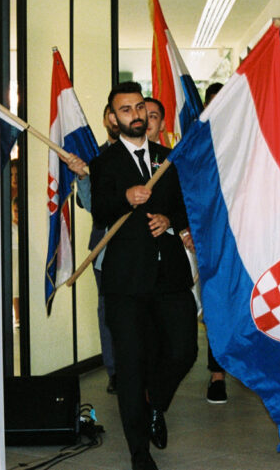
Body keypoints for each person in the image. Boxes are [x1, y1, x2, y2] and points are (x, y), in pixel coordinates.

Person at [90, 82, 197, 470]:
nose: (135, 115)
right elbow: (101, 211)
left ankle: (156, 404)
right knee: (131, 367)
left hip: (169, 275)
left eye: (139, 107)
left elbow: (184, 208)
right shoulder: (103, 163)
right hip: (125, 285)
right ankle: (139, 452)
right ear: (113, 119)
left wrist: (171, 220)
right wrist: (125, 198)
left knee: (185, 350)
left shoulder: (169, 160)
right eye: (125, 110)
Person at [72, 104, 121, 394]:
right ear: (105, 119)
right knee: (109, 313)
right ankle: (115, 371)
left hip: (144, 248)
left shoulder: (149, 155)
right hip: (105, 249)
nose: (117, 120)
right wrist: (82, 177)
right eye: (112, 114)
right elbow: (90, 204)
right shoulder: (97, 158)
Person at [201, 81, 228, 404]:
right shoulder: (201, 141)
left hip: (247, 235)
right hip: (212, 235)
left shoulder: (248, 137)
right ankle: (217, 374)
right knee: (216, 303)